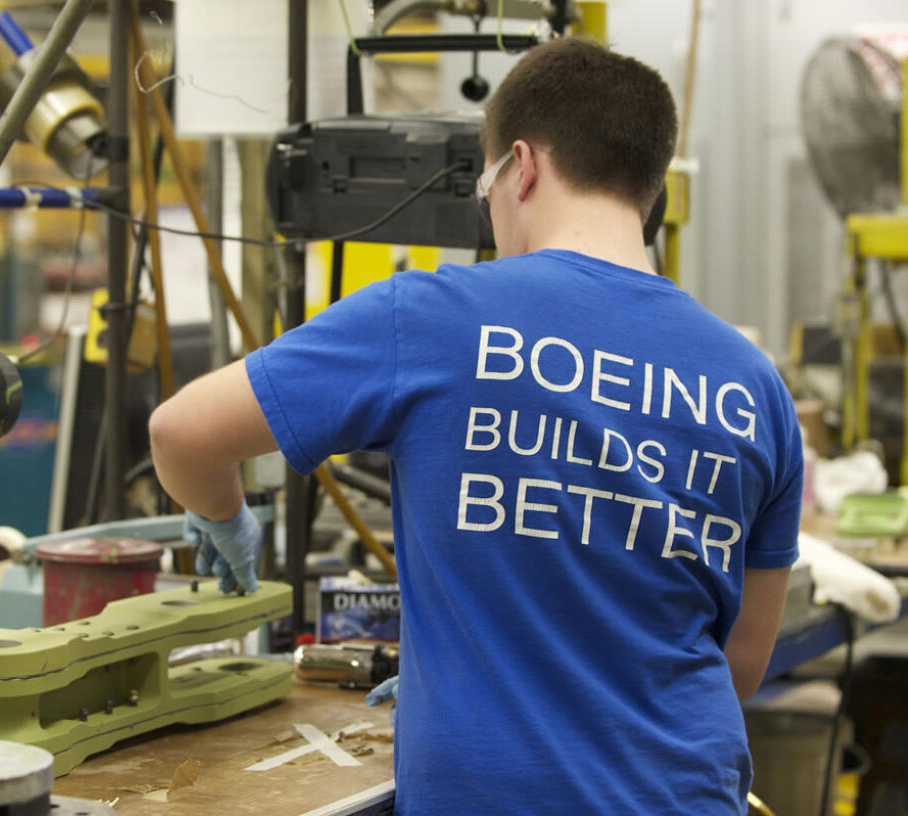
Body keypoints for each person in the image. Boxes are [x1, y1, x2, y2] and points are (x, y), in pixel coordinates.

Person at [150, 36, 801, 815]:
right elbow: (740, 663)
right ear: (649, 188)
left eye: (485, 188)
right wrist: (459, 678)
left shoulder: (430, 318)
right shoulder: (755, 386)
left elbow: (180, 433)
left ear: (520, 167)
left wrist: (221, 515)